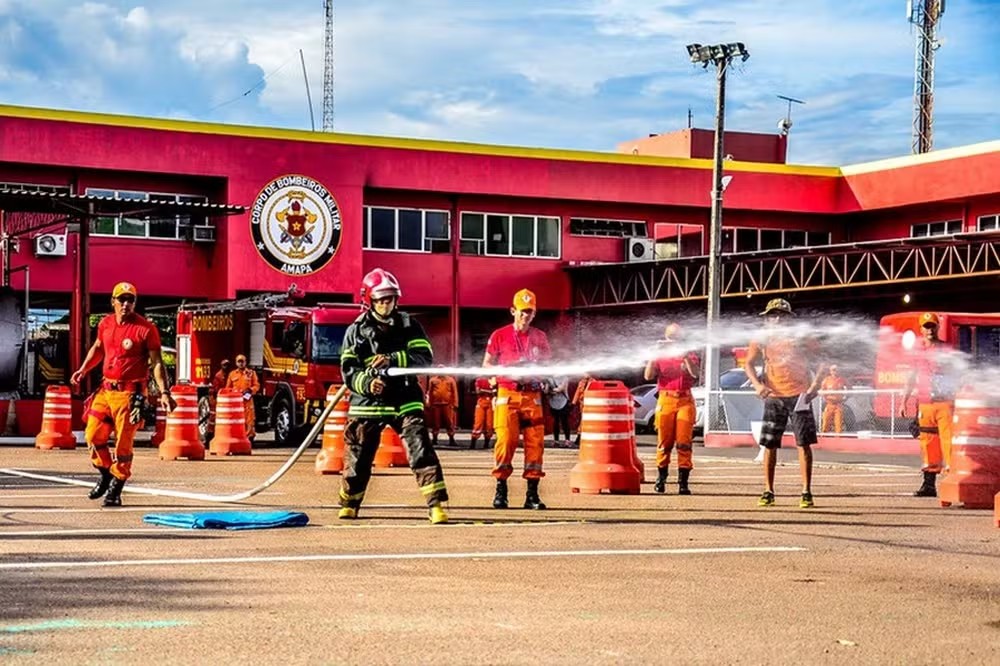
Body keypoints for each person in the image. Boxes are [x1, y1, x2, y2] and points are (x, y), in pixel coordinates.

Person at [338, 268, 449, 524]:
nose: (387, 304)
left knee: (420, 450)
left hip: (405, 398)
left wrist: (393, 359)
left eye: (390, 299)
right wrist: (367, 383)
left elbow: (424, 359)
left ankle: (436, 506)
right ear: (369, 300)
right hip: (368, 404)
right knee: (358, 455)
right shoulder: (355, 331)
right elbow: (348, 369)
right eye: (381, 300)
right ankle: (350, 502)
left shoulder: (410, 326)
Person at [70, 282, 174, 507]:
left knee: (123, 445)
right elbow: (98, 348)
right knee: (93, 435)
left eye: (130, 300)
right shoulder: (106, 323)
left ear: (135, 302)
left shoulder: (146, 328)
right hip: (106, 391)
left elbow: (157, 363)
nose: (126, 304)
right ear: (113, 301)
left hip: (129, 395)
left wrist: (164, 392)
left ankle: (116, 486)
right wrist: (83, 369)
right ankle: (107, 473)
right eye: (121, 299)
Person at [745, 298, 825, 509]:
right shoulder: (761, 339)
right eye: (773, 315)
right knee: (769, 444)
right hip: (774, 396)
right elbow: (749, 363)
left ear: (790, 318)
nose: (777, 318)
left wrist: (815, 386)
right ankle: (768, 490)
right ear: (767, 319)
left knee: (804, 443)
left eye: (781, 314)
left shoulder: (802, 337)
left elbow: (822, 361)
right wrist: (757, 385)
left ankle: (806, 491)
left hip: (800, 396)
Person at [483, 288, 552, 510]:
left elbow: (548, 365)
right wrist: (500, 375)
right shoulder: (499, 335)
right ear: (513, 311)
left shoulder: (540, 337)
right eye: (522, 311)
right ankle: (501, 491)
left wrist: (539, 375)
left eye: (529, 312)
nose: (525, 316)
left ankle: (532, 494)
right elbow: (486, 364)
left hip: (532, 395)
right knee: (506, 441)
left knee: (535, 444)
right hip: (507, 394)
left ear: (534, 314)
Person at [901, 312, 959, 498]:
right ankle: (929, 485)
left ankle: (952, 482)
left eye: (932, 325)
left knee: (948, 442)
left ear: (937, 327)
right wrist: (904, 400)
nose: (929, 329)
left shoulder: (946, 350)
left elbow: (956, 375)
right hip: (925, 403)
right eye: (926, 326)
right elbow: (911, 377)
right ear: (921, 328)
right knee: (927, 443)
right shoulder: (918, 352)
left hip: (945, 403)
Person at [644, 323, 700, 495]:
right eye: (670, 338)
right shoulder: (660, 355)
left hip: (685, 399)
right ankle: (661, 478)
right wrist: (653, 356)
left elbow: (696, 373)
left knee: (684, 442)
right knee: (664, 441)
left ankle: (683, 482)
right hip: (665, 398)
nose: (672, 341)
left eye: (676, 338)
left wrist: (684, 357)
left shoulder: (690, 354)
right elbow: (648, 376)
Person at [226, 354, 260, 442]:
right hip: (236, 402)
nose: (241, 363)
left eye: (242, 361)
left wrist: (250, 390)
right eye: (239, 361)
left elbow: (257, 385)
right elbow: (228, 389)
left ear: (246, 362)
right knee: (236, 420)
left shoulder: (251, 373)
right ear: (236, 363)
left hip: (247, 401)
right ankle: (238, 437)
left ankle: (250, 437)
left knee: (249, 420)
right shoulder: (232, 374)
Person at [426, 368, 459, 447]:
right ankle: (434, 438)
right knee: (435, 423)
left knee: (449, 422)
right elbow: (430, 392)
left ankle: (451, 438)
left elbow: (454, 392)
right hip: (435, 405)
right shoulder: (432, 380)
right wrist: (429, 404)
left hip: (448, 405)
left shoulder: (451, 380)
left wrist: (455, 403)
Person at [206, 358, 231, 440]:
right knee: (213, 419)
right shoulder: (219, 376)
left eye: (227, 365)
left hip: (223, 398)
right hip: (217, 399)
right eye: (224, 365)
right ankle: (209, 436)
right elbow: (216, 390)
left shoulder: (229, 375)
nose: (226, 367)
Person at [470, 376, 496, 450]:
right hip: (481, 402)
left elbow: (495, 392)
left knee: (489, 424)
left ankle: (486, 443)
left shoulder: (494, 380)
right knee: (478, 422)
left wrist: (484, 391)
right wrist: (490, 391)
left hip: (491, 403)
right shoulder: (479, 379)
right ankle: (473, 442)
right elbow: (478, 391)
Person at [820, 364, 848, 434]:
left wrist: (845, 397)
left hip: (838, 405)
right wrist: (827, 396)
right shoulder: (826, 380)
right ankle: (823, 439)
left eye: (836, 370)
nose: (835, 372)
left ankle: (838, 440)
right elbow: (822, 390)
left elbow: (849, 388)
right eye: (833, 370)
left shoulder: (842, 380)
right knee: (825, 424)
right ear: (830, 371)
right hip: (829, 405)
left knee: (838, 425)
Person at [570, 374, 595, 448]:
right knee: (582, 420)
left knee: (584, 421)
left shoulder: (594, 382)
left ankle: (580, 437)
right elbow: (577, 393)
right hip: (582, 405)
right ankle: (580, 437)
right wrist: (573, 403)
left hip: (590, 405)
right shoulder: (581, 382)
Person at [547, 376, 571, 448]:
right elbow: (545, 390)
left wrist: (550, 391)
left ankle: (567, 440)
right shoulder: (549, 379)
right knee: (555, 422)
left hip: (563, 402)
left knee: (565, 422)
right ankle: (556, 441)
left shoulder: (565, 378)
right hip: (553, 402)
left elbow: (560, 389)